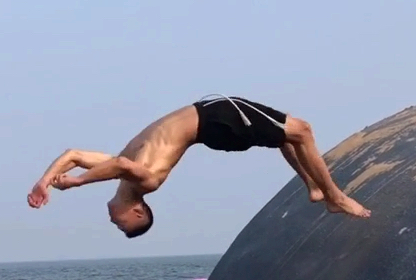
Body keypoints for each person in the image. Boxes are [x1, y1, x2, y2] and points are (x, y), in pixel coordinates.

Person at [27, 95, 371, 235]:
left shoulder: (124, 166)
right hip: (214, 121)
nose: (113, 222)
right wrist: (78, 182)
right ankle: (334, 196)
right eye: (122, 225)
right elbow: (118, 164)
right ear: (138, 211)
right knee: (302, 131)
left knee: (285, 136)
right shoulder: (147, 182)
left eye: (119, 225)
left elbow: (73, 154)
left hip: (212, 115)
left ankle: (314, 188)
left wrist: (44, 181)